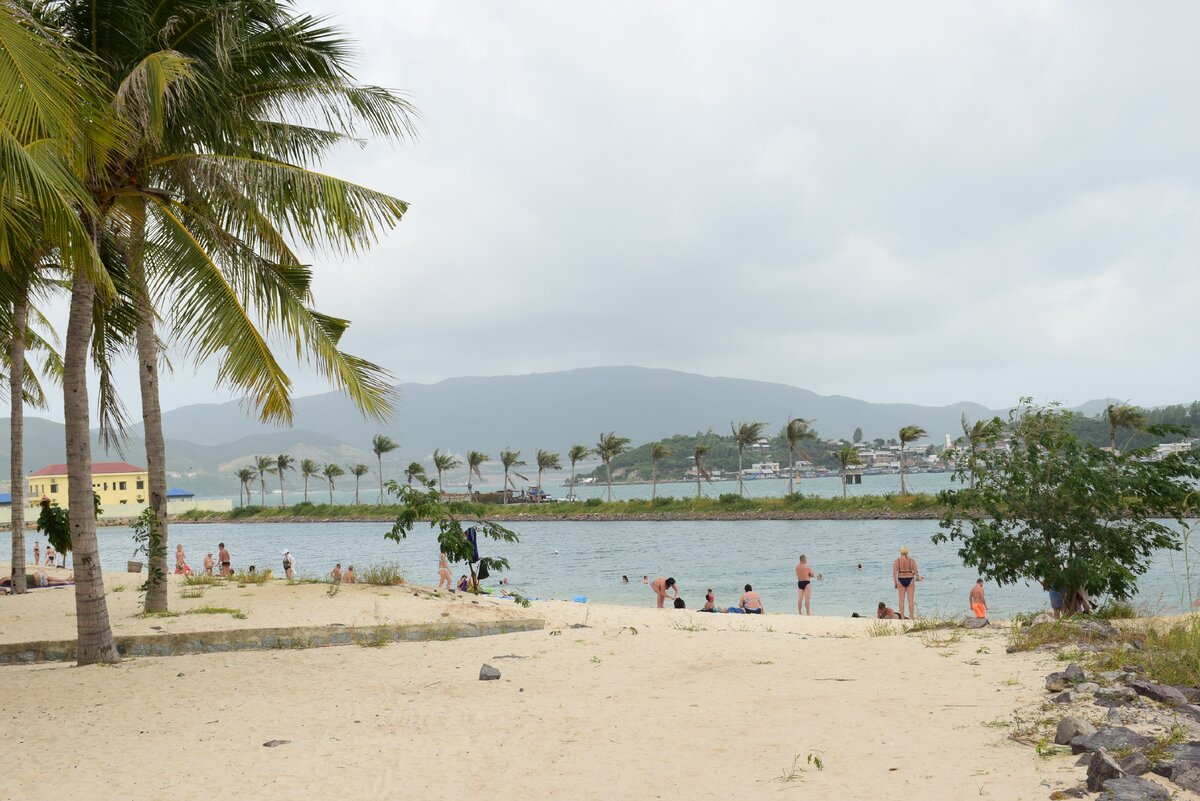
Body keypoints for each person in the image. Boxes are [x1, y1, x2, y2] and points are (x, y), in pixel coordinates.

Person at [892, 546, 922, 620]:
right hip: (910, 579)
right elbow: (916, 573)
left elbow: (894, 574)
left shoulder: (897, 561)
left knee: (901, 600)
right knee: (910, 600)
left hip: (900, 579)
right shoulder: (912, 561)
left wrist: (895, 583)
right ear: (907, 552)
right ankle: (911, 617)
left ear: (900, 552)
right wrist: (919, 578)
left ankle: (902, 618)